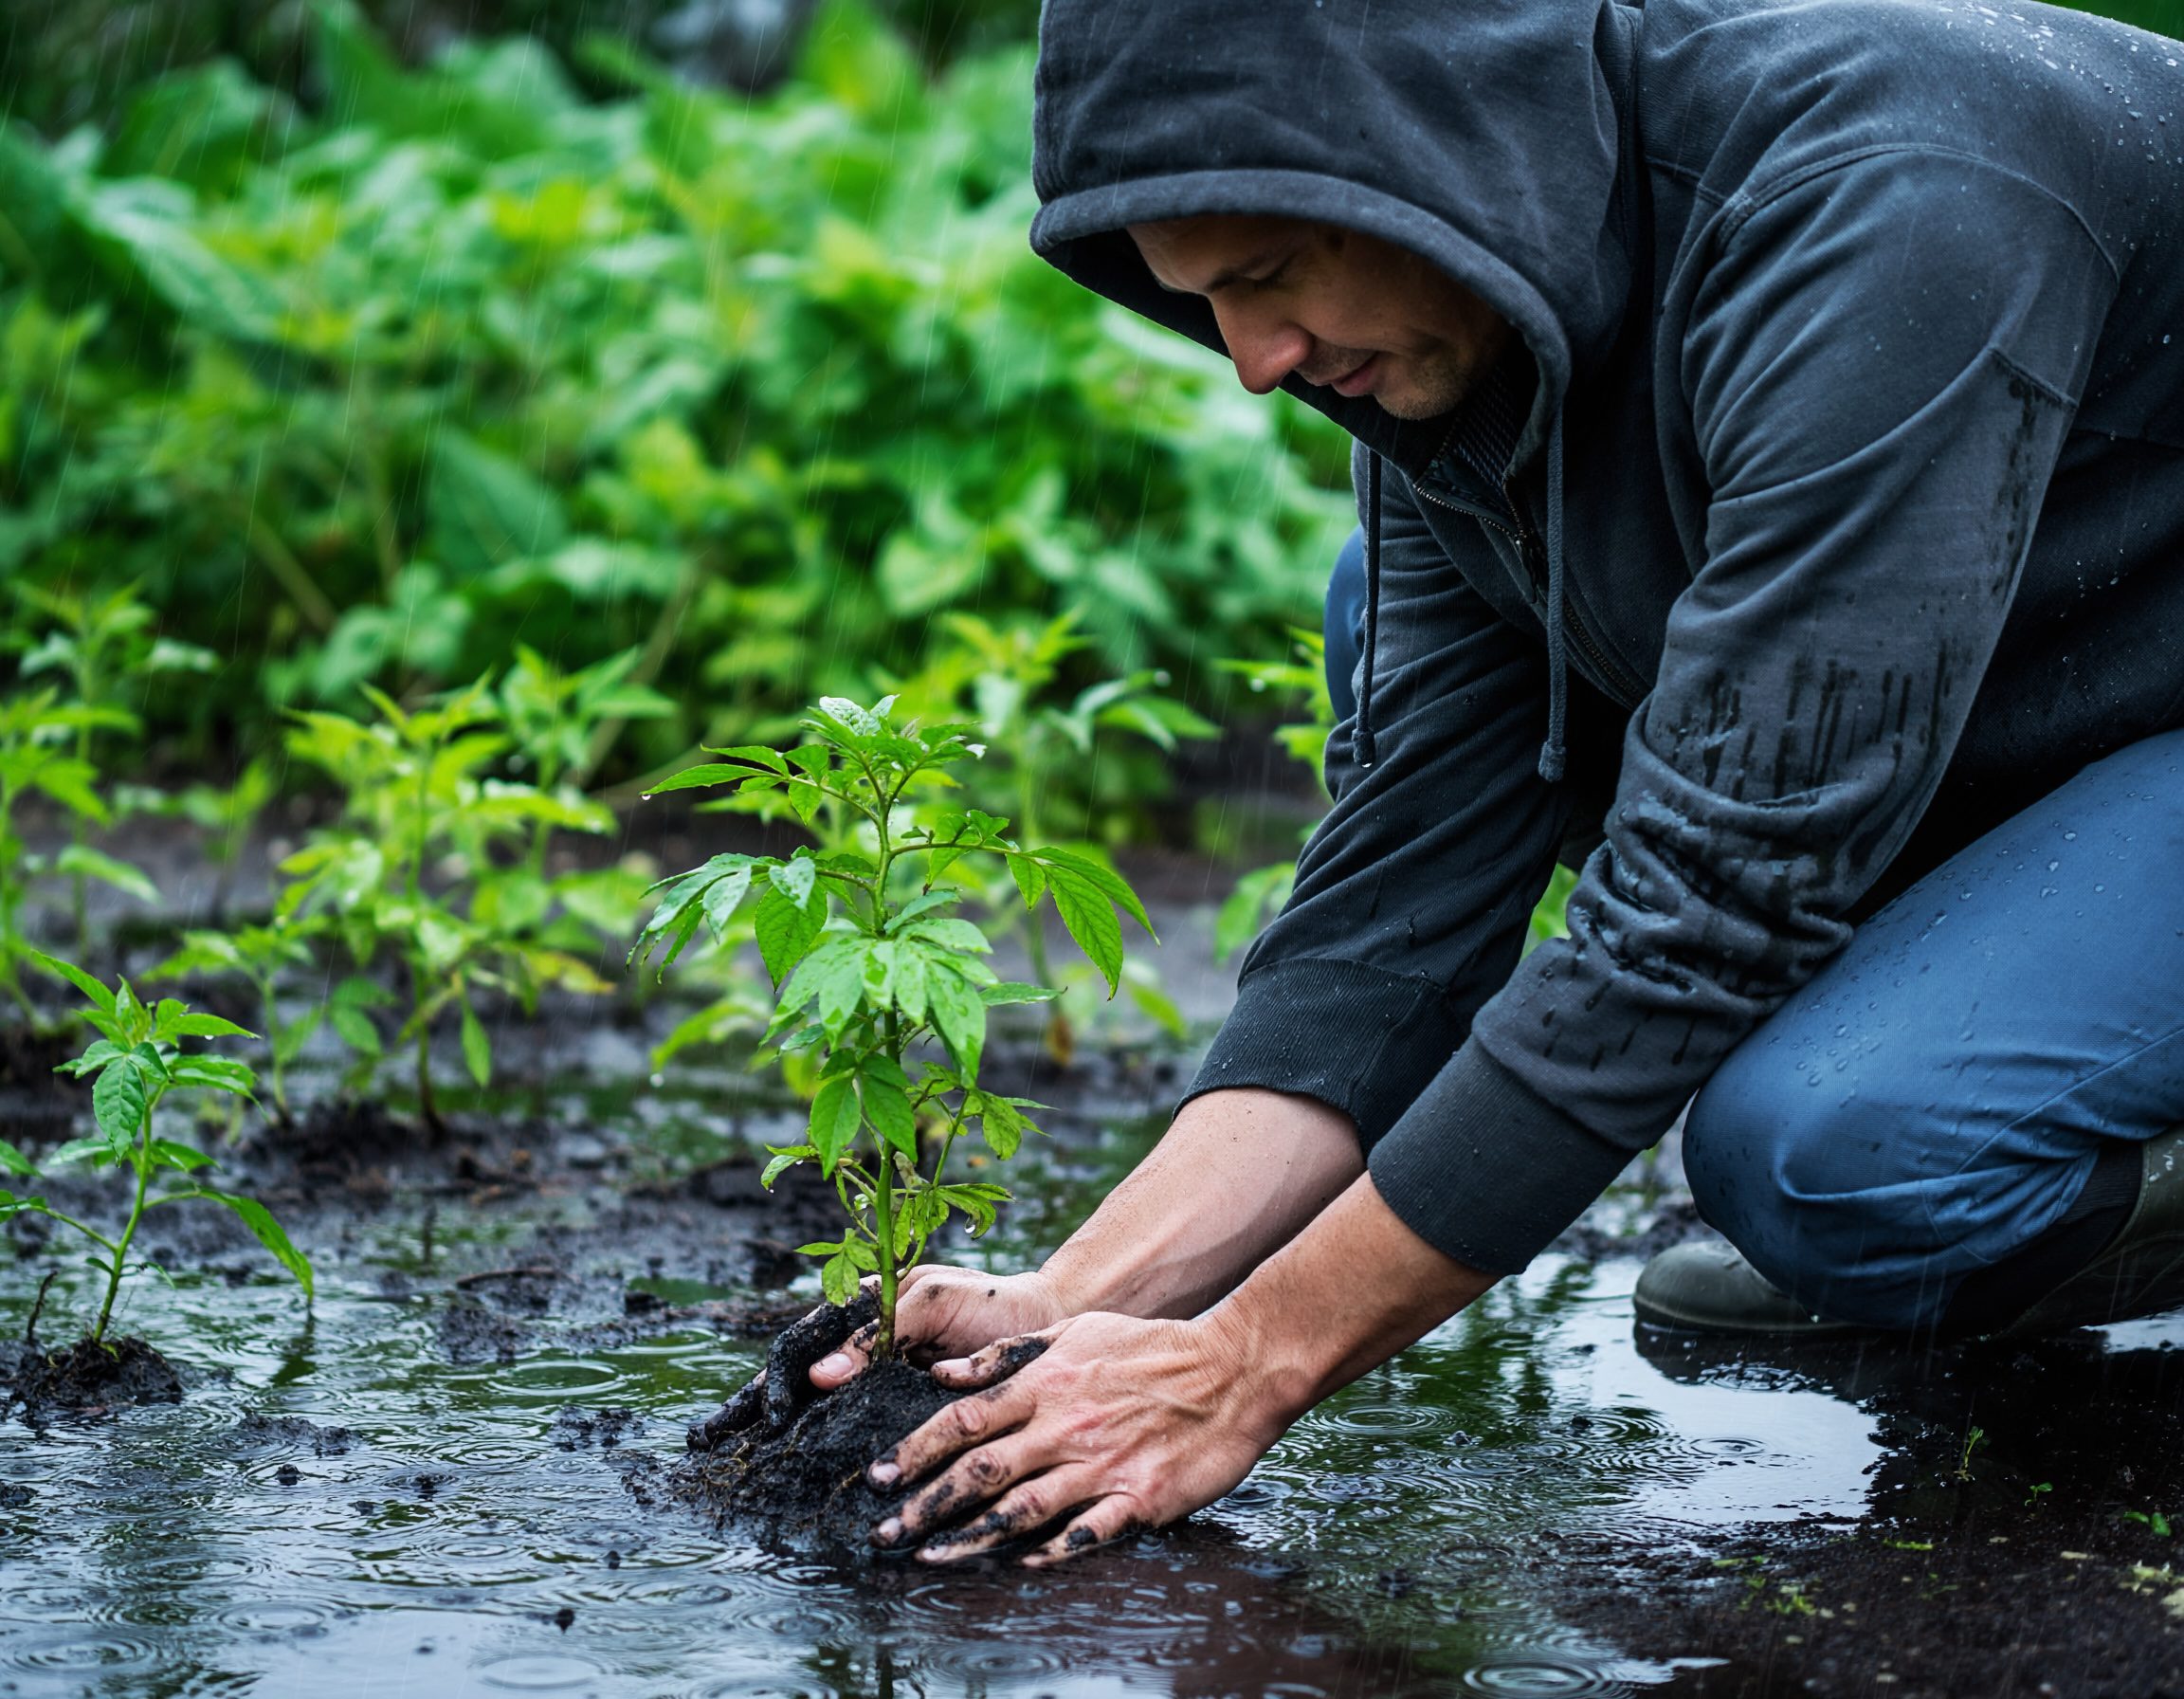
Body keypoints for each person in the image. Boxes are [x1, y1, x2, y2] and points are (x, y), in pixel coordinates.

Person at [763, 0, 2184, 1566]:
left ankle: (1980, 1176)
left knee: (1842, 1149)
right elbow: (1403, 897)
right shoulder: (1478, 315)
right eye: (1203, 301)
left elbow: (1717, 900)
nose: (1253, 365)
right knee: (1385, 604)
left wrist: (1246, 1365)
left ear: (1436, 145)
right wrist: (1083, 1294)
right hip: (2072, 677)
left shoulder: (1891, 207)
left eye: (1268, 274)